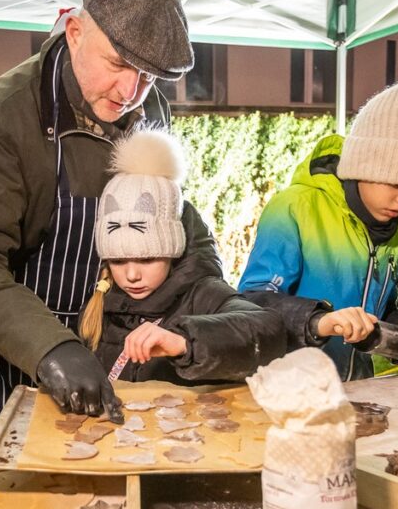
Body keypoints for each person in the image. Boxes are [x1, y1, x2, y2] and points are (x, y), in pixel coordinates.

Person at [0, 0, 220, 431]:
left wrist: (213, 315)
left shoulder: (150, 110)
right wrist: (52, 347)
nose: (131, 91)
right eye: (119, 64)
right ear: (74, 32)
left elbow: (176, 223)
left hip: (129, 353)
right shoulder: (3, 117)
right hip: (25, 362)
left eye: (148, 76)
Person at [238, 79, 398, 380]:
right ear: (363, 165)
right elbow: (251, 302)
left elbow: (380, 307)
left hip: (356, 391)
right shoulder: (294, 208)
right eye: (397, 183)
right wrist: (320, 321)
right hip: (286, 391)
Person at [78, 128, 286, 383]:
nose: (131, 275)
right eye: (118, 261)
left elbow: (268, 329)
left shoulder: (205, 295)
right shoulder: (100, 302)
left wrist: (186, 342)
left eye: (147, 259)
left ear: (173, 251)